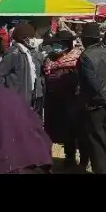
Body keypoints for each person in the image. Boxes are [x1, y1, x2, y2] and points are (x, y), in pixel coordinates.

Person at [77, 22, 106, 174]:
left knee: (96, 141)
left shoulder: (85, 56)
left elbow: (91, 81)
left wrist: (104, 99)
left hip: (95, 105)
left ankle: (102, 170)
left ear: (85, 39)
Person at [42, 30, 86, 170]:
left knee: (75, 131)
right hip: (54, 101)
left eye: (60, 43)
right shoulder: (50, 59)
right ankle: (61, 159)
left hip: (73, 100)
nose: (57, 46)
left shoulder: (77, 58)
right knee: (58, 131)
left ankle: (78, 159)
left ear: (67, 44)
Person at [0, 22, 45, 117]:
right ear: (25, 39)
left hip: (29, 98)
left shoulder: (27, 52)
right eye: (32, 37)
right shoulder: (14, 54)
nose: (33, 40)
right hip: (17, 100)